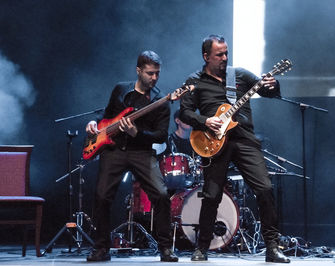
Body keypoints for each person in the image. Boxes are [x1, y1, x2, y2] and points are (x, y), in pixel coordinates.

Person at [179, 35, 290, 263]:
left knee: (265, 188)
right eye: (219, 54)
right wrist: (205, 121)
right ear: (206, 56)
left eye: (226, 53)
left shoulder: (239, 74)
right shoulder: (194, 80)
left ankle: (272, 246)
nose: (224, 57)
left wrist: (273, 84)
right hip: (213, 142)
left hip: (244, 139)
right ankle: (202, 248)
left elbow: (268, 91)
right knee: (211, 196)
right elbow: (185, 112)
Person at [85, 51, 178, 262]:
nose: (154, 78)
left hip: (141, 151)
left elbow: (161, 134)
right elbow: (107, 115)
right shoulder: (120, 89)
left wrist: (138, 133)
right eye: (150, 73)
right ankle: (101, 248)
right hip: (114, 149)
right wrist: (94, 122)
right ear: (138, 71)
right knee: (101, 196)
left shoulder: (161, 101)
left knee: (161, 195)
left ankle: (165, 248)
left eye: (157, 74)